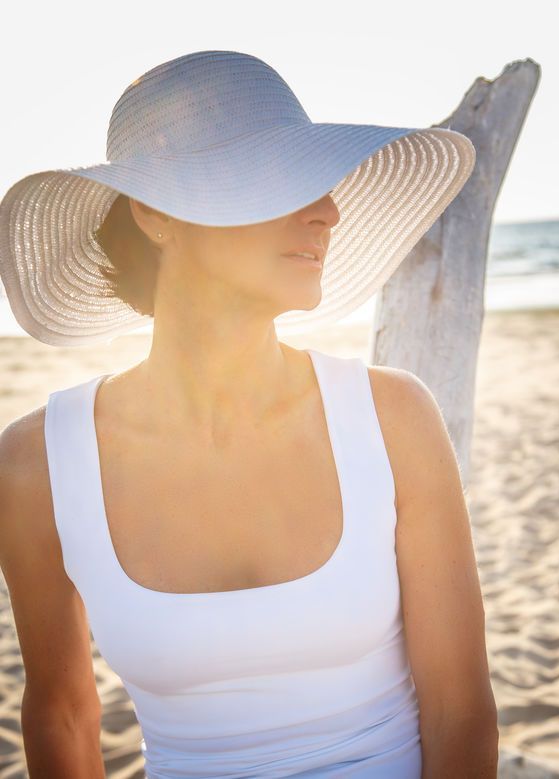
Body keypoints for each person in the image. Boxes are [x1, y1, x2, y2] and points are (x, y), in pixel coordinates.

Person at [0, 50, 498, 778]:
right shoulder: (35, 465)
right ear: (156, 214)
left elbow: (460, 708)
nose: (327, 210)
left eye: (320, 182)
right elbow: (62, 712)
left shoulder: (394, 419)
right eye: (281, 178)